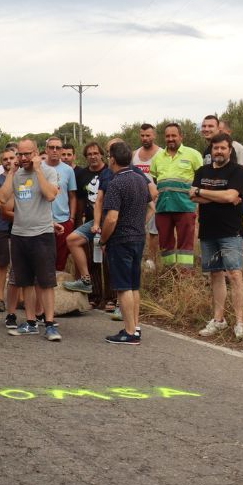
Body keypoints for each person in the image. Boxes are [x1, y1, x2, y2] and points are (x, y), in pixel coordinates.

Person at [0, 138, 63, 341]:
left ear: (36, 153)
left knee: (45, 282)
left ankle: (50, 324)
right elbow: (2, 198)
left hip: (42, 234)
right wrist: (11, 172)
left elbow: (51, 195)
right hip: (19, 235)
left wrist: (37, 171)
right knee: (25, 281)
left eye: (28, 154)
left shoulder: (48, 172)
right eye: (21, 154)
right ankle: (30, 322)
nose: (24, 158)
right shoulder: (17, 175)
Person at [191, 134, 243, 339]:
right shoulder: (202, 171)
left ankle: (241, 322)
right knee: (215, 275)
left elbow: (232, 196)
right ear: (211, 150)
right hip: (208, 231)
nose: (219, 152)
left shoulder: (237, 171)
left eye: (223, 148)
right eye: (216, 148)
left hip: (230, 231)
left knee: (234, 274)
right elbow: (193, 196)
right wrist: (221, 195)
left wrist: (204, 191)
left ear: (230, 150)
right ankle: (219, 320)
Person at [99, 141, 150, 345]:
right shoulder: (139, 179)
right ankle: (135, 326)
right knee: (134, 285)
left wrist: (103, 239)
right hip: (139, 236)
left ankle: (129, 332)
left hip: (121, 239)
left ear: (112, 158)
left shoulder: (116, 183)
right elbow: (150, 204)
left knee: (123, 287)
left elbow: (111, 218)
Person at [149, 123, 203, 269]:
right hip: (163, 208)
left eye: (174, 135)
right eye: (168, 136)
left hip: (185, 206)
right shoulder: (158, 158)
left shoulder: (193, 154)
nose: (170, 139)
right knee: (165, 245)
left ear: (181, 136)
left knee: (186, 246)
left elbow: (200, 179)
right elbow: (155, 181)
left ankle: (185, 277)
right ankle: (170, 274)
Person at [63, 142, 113, 298]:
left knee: (107, 261)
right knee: (93, 259)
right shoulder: (81, 175)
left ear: (101, 154)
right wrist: (77, 221)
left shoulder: (110, 172)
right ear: (85, 157)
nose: (93, 156)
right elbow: (79, 200)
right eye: (89, 154)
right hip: (90, 222)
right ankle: (94, 295)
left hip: (108, 221)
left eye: (95, 153)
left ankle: (111, 298)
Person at [0, 147, 18, 314]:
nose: (9, 161)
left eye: (11, 158)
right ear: (1, 163)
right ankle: (0, 298)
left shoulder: (25, 177)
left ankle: (18, 298)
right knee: (1, 263)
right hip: (2, 225)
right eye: (5, 159)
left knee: (19, 263)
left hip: (21, 226)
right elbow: (0, 202)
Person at [44, 136, 77, 272]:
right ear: (46, 149)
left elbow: (72, 195)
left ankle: (57, 293)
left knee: (60, 261)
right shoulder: (39, 168)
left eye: (58, 148)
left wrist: (72, 219)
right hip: (43, 221)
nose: (55, 150)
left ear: (61, 150)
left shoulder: (68, 170)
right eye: (51, 147)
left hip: (63, 221)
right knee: (44, 259)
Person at [132, 124, 161, 261]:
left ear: (154, 136)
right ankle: (138, 257)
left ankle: (152, 260)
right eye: (142, 135)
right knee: (137, 228)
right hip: (137, 199)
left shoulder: (162, 153)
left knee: (153, 231)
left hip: (155, 198)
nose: (145, 138)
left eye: (148, 135)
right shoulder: (134, 154)